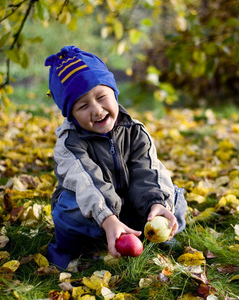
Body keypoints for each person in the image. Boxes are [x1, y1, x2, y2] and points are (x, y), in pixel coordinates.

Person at [44, 45, 187, 269]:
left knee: (173, 197)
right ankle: (73, 250)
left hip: (132, 206)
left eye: (101, 97)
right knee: (69, 207)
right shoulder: (69, 143)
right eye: (83, 105)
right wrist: (107, 217)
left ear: (114, 92)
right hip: (95, 215)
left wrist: (156, 203)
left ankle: (155, 232)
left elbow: (148, 170)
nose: (97, 110)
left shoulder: (135, 131)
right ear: (71, 114)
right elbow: (87, 182)